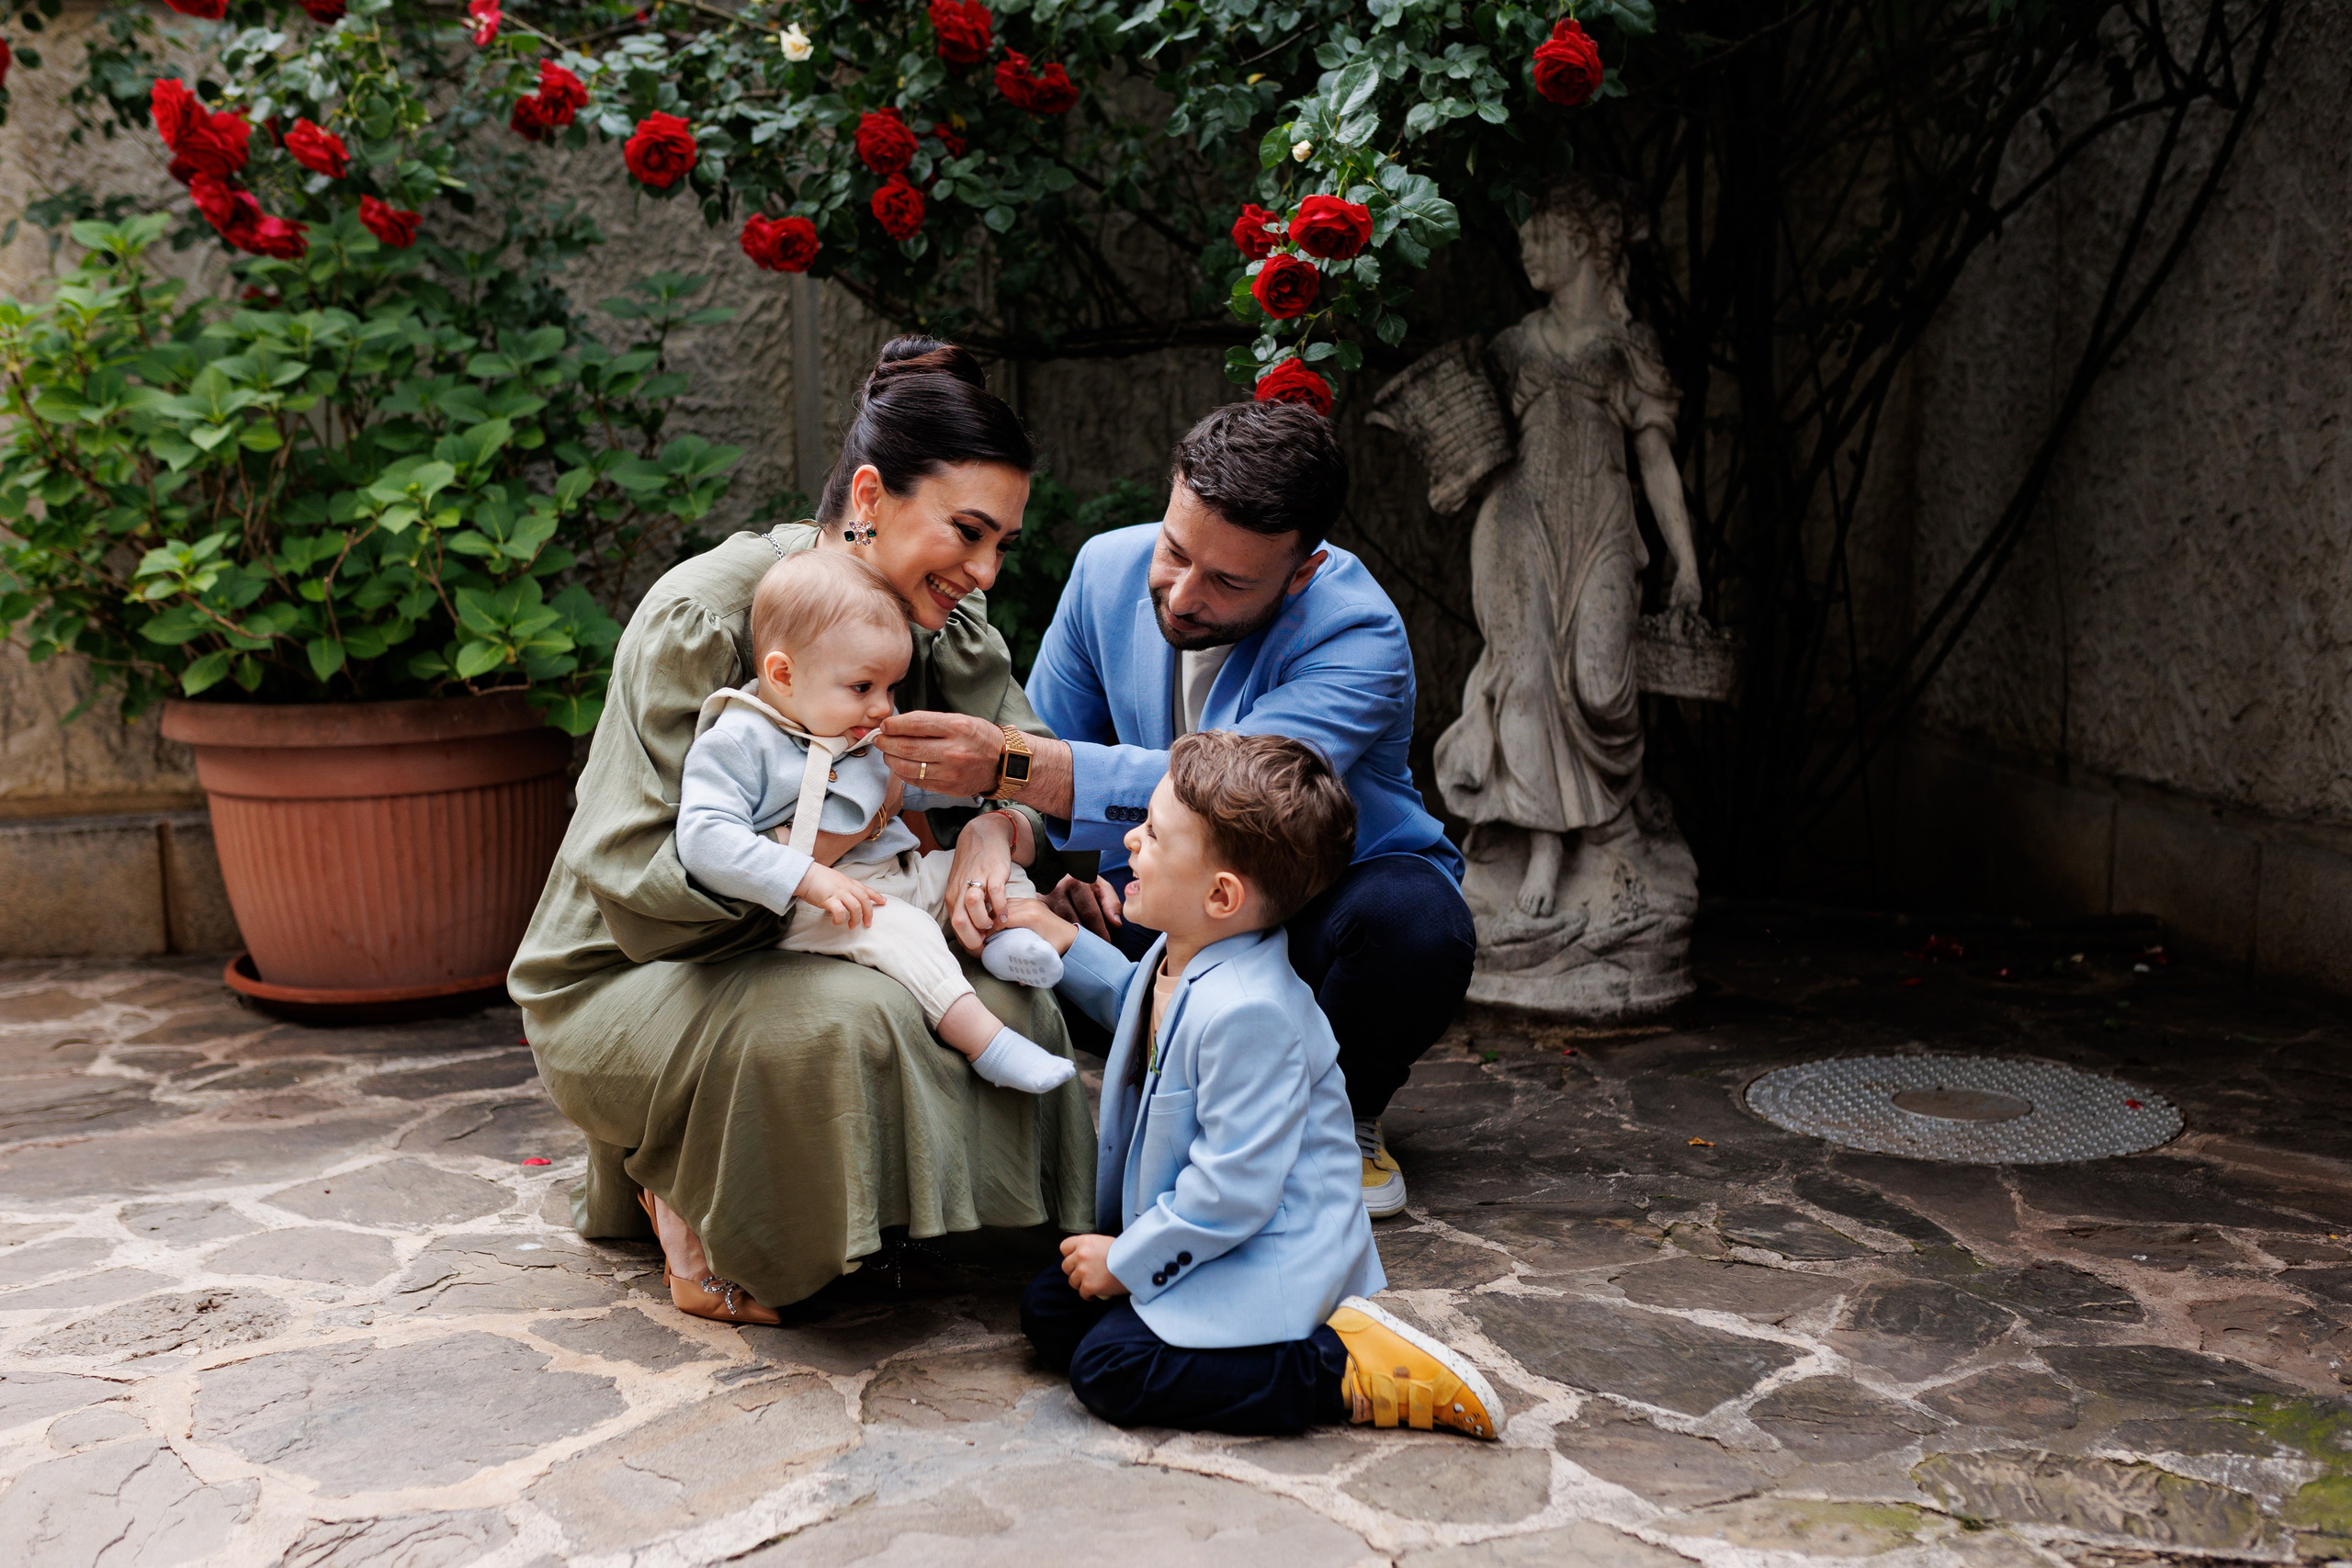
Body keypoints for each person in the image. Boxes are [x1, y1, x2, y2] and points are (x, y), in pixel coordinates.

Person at [510, 337, 1096, 1327]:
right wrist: (820, 857)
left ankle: (907, 1223)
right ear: (869, 497)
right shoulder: (705, 616)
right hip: (637, 966)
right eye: (967, 532)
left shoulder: (943, 626)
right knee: (844, 1022)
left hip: (838, 923)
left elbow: (1026, 766)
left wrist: (995, 833)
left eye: (1003, 543)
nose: (986, 570)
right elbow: (637, 875)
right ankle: (692, 1196)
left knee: (1003, 988)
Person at [878, 400, 1475, 1219]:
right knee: (996, 918)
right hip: (1162, 902)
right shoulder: (1104, 571)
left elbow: (1227, 792)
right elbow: (1052, 742)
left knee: (1418, 924)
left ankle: (1339, 1115)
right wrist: (1030, 850)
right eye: (1175, 550)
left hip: (1326, 912)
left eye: (1229, 581)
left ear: (1302, 572)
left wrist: (1012, 767)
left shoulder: (1359, 633)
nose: (1184, 595)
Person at [1008, 731, 1504, 1438]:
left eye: (1153, 834)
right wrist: (1063, 940)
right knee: (1049, 1312)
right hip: (1208, 1225)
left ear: (1221, 894)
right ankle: (1181, 1326)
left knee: (1108, 1369)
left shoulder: (1252, 1012)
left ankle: (1339, 1368)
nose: (1131, 843)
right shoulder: (1189, 947)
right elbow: (1142, 1005)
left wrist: (1123, 1260)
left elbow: (1231, 1192)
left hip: (1263, 1247)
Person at [675, 547, 1074, 1095]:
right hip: (821, 907)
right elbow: (704, 837)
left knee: (982, 872)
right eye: (864, 687)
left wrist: (972, 784)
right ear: (783, 675)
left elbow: (912, 783)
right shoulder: (738, 741)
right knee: (904, 933)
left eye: (892, 688)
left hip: (895, 876)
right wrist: (807, 878)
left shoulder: (852, 726)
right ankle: (987, 1043)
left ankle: (1003, 942)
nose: (883, 707)